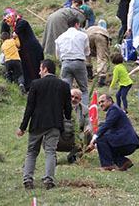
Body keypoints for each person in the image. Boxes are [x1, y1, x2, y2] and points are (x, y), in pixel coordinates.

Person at [17, 59, 71, 190]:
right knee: (50, 152)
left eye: (40, 69)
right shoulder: (64, 86)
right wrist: (67, 119)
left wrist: (23, 127)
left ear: (45, 69)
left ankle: (28, 179)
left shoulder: (35, 84)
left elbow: (29, 107)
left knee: (31, 152)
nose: (39, 72)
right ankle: (48, 179)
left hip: (37, 123)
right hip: (54, 124)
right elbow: (67, 108)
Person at [85, 93, 139, 171]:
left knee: (101, 138)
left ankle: (107, 165)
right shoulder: (113, 110)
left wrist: (93, 139)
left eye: (102, 101)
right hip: (127, 142)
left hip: (126, 142)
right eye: (99, 103)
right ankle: (124, 162)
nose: (101, 104)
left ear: (110, 100)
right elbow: (108, 132)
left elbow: (106, 125)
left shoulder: (114, 109)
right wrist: (95, 145)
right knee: (104, 143)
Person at [3, 9, 44, 91]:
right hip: (25, 51)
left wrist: (16, 32)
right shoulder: (16, 26)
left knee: (34, 68)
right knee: (26, 68)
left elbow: (24, 24)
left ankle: (37, 86)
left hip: (32, 50)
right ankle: (29, 86)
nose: (8, 24)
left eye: (8, 21)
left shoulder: (20, 22)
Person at [55, 17, 90, 107]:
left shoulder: (60, 37)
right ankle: (85, 110)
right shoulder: (83, 35)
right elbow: (87, 52)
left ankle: (67, 110)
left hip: (65, 62)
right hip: (79, 62)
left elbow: (58, 55)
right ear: (76, 24)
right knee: (84, 89)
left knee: (66, 90)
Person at [62, 88, 92, 164]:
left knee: (88, 135)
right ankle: (52, 156)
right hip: (59, 137)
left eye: (76, 98)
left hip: (74, 138)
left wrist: (88, 129)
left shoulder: (85, 109)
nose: (73, 99)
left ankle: (73, 155)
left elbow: (89, 123)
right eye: (71, 96)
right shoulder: (59, 106)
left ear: (80, 100)